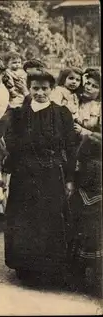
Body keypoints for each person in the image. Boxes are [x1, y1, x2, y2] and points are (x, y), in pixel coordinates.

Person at [4, 70, 77, 285]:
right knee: (24, 220)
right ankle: (25, 269)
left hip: (51, 175)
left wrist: (70, 178)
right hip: (23, 176)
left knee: (49, 220)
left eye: (45, 88)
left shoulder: (62, 113)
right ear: (29, 89)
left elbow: (70, 147)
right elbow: (9, 143)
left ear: (52, 90)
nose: (40, 93)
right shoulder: (18, 114)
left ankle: (49, 272)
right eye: (35, 88)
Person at [70, 69, 102, 294]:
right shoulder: (75, 102)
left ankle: (95, 271)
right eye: (87, 83)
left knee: (93, 217)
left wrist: (83, 132)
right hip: (78, 159)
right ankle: (75, 269)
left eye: (94, 85)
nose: (88, 87)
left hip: (95, 162)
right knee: (77, 213)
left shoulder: (98, 108)